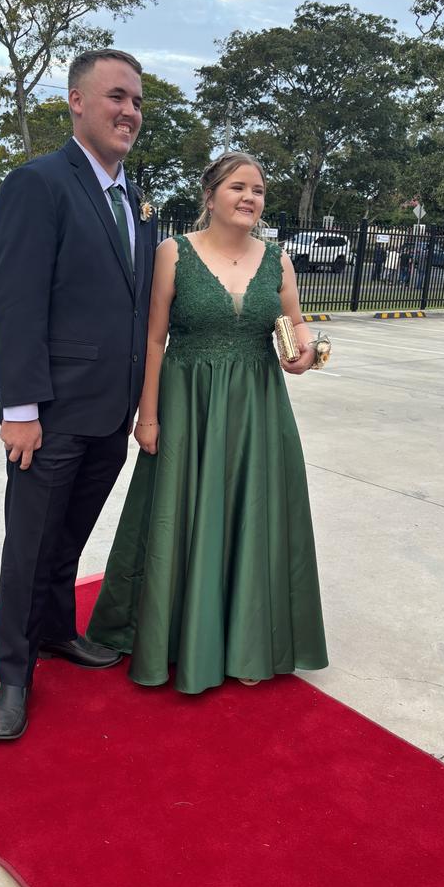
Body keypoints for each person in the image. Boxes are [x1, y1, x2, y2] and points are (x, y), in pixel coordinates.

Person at [87, 151, 328, 694]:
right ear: (211, 194)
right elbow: (153, 339)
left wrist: (306, 352)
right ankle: (172, 637)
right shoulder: (174, 253)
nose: (250, 198)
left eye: (259, 190)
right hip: (188, 406)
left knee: (251, 517)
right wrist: (147, 415)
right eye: (238, 187)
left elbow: (295, 323)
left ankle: (245, 641)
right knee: (178, 517)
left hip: (258, 411)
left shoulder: (278, 261)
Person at [0, 49, 157, 740]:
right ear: (77, 102)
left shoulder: (135, 202)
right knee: (28, 544)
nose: (130, 112)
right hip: (50, 413)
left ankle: (56, 631)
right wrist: (20, 411)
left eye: (138, 102)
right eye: (117, 96)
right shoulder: (39, 183)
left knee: (69, 536)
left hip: (108, 412)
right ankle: (13, 675)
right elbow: (15, 300)